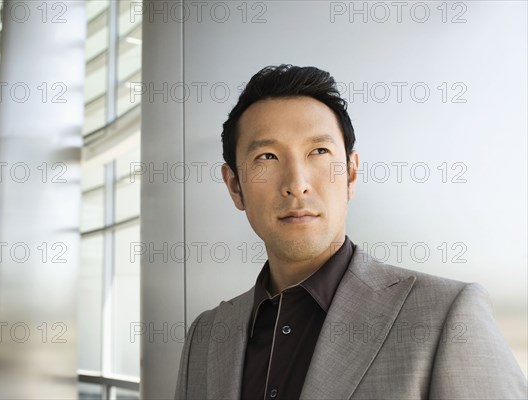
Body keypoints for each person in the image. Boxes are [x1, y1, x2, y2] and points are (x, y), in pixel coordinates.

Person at [174, 64, 527, 399]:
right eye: (267, 156)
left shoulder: (446, 316)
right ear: (235, 186)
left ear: (351, 174)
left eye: (319, 151)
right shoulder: (205, 336)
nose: (297, 185)